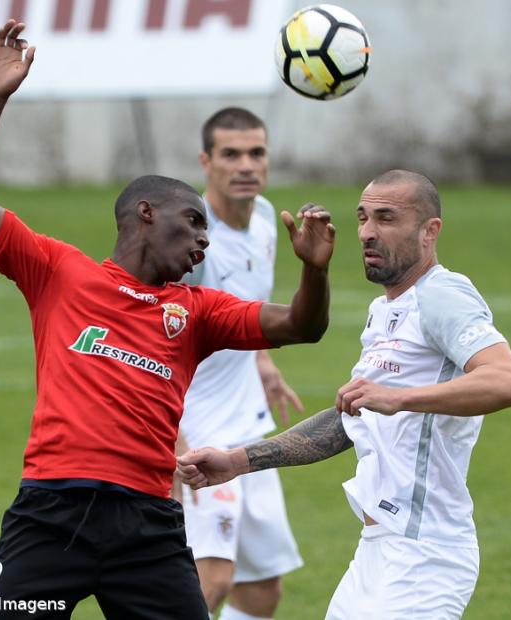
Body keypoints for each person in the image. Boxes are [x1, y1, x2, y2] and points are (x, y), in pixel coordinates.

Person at [0, 20, 336, 619]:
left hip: (148, 527)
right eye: (193, 221)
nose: (204, 239)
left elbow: (302, 327)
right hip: (52, 513)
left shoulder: (198, 312)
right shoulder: (59, 272)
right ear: (145, 213)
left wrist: (316, 272)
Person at [178, 170, 511, 619]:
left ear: (429, 231)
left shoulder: (443, 294)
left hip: (425, 556)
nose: (367, 232)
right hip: (376, 550)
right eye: (363, 218)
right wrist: (237, 462)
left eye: (386, 218)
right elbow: (348, 419)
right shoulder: (383, 311)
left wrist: (400, 397)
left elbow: (508, 381)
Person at [176, 107, 304, 620]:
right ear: (206, 162)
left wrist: (261, 361)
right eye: (231, 154)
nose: (246, 165)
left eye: (256, 152)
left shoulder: (268, 218)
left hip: (252, 434)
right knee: (212, 582)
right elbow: (144, 336)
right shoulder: (190, 242)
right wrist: (171, 441)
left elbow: (244, 308)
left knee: (261, 592)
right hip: (200, 434)